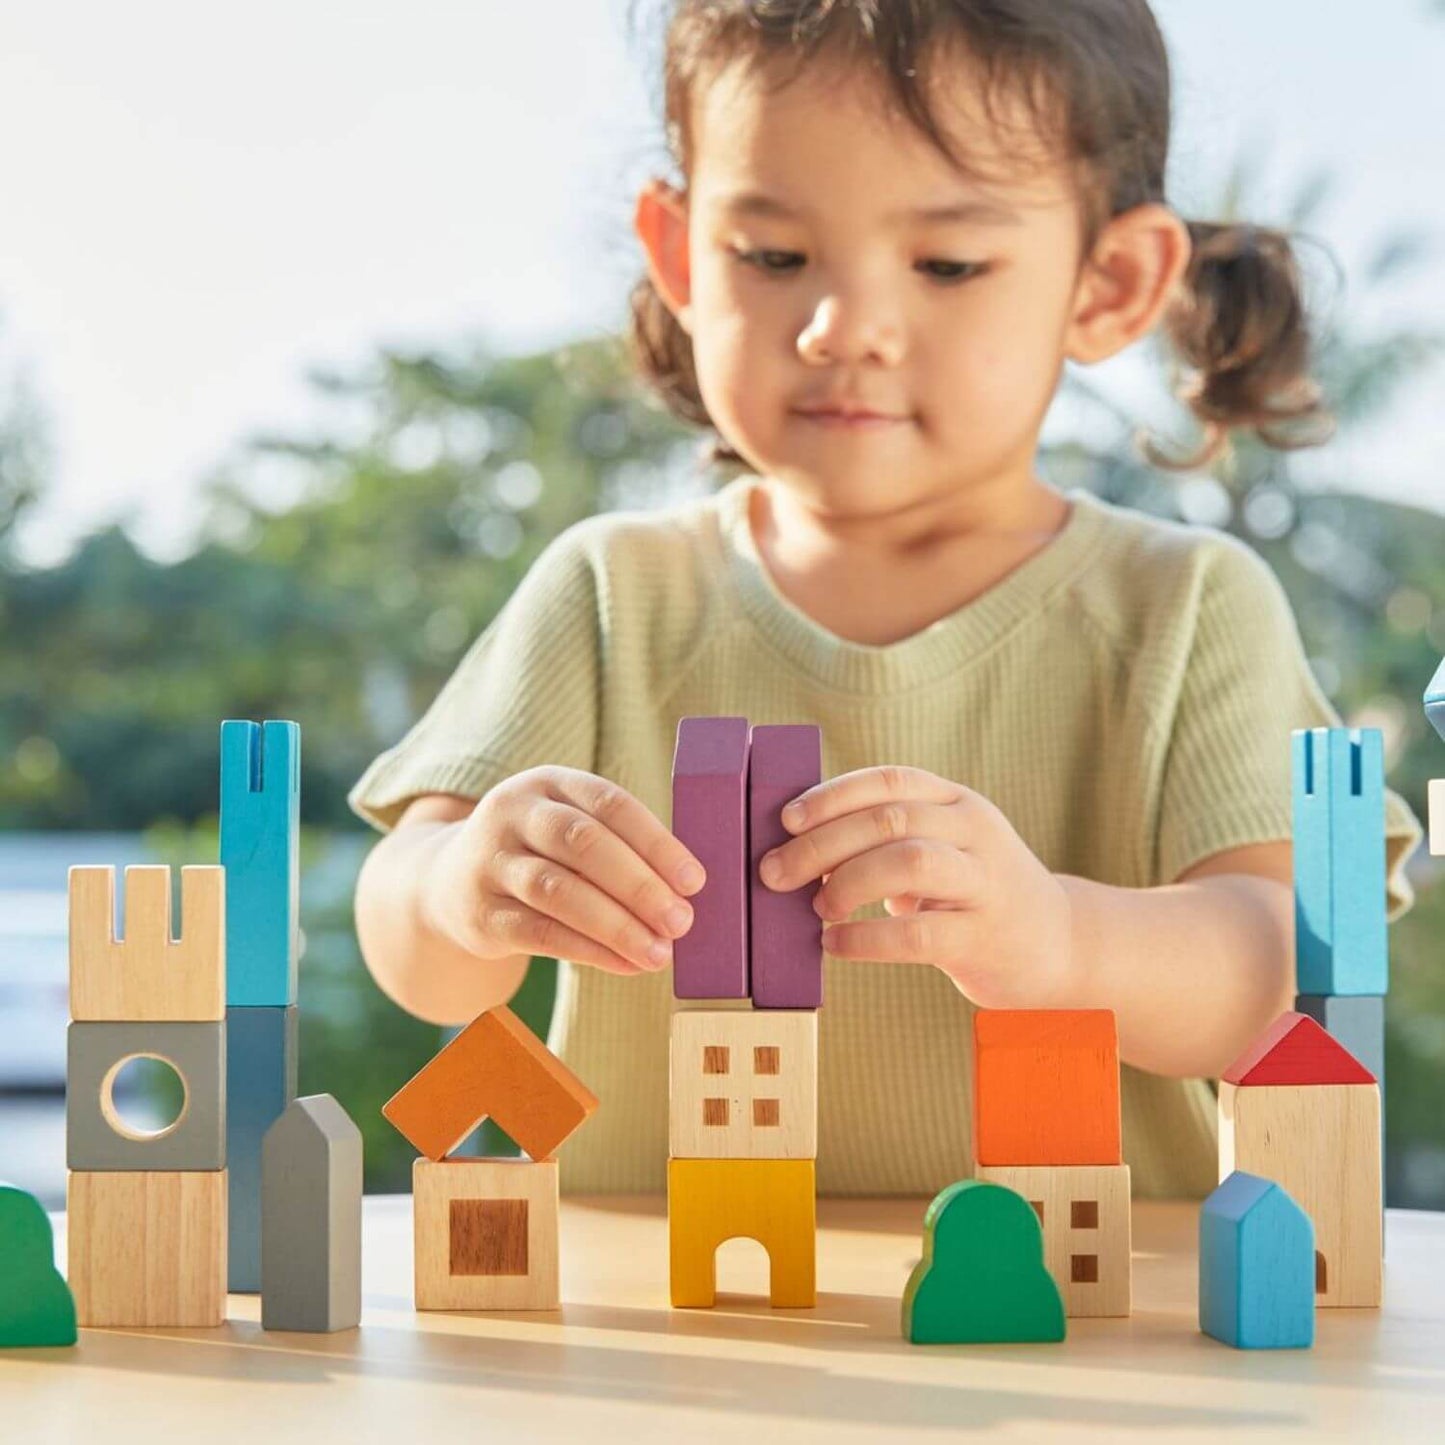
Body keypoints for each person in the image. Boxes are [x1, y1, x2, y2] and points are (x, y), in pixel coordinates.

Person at [348, 0, 1422, 1198]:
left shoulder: (1185, 605)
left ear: (1108, 283)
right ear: (673, 249)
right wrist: (458, 889)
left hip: (1091, 1332)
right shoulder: (610, 590)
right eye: (769, 254)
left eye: (946, 263)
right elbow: (419, 959)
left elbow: (1295, 984)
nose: (839, 327)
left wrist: (1058, 938)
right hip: (662, 1336)